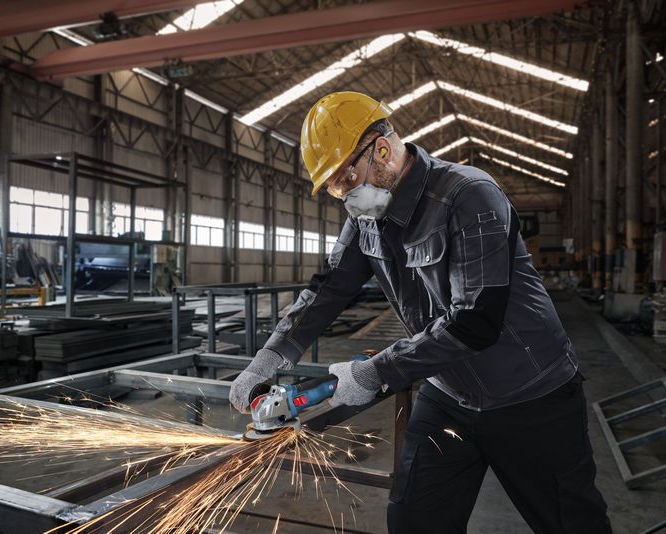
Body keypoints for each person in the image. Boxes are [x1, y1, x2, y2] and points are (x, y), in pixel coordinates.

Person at [229, 91, 611, 534]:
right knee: (414, 521)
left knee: (570, 524)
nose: (344, 196)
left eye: (345, 179)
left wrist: (375, 372)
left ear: (382, 150)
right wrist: (271, 357)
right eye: (334, 188)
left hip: (531, 396)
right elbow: (327, 290)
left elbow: (474, 322)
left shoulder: (469, 196)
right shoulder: (365, 220)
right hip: (447, 396)